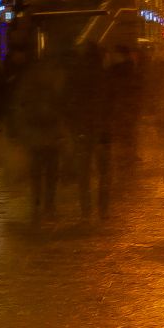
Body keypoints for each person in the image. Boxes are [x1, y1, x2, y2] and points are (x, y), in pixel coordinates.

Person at [9, 45, 67, 223]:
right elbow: (60, 110)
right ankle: (46, 203)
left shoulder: (31, 87)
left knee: (39, 170)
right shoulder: (52, 89)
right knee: (49, 171)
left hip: (38, 136)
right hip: (46, 135)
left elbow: (21, 108)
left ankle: (38, 201)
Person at [65, 43, 112, 220]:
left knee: (84, 173)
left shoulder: (76, 78)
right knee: (104, 173)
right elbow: (112, 105)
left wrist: (73, 127)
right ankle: (103, 210)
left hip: (83, 131)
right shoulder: (105, 76)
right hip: (102, 132)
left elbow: (68, 104)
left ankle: (86, 210)